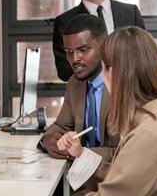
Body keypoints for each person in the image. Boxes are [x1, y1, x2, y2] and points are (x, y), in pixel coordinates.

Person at [57, 26, 157, 195]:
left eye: (103, 68)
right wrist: (81, 153)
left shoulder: (149, 134)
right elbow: (125, 178)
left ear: (115, 73)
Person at [37, 14, 119, 192]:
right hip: (82, 182)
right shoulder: (75, 83)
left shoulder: (123, 84)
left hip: (116, 184)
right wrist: (53, 141)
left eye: (83, 50)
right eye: (69, 51)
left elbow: (129, 152)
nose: (75, 59)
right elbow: (59, 126)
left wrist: (83, 152)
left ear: (104, 47)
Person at [53, 0, 145, 81]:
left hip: (131, 91)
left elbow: (144, 56)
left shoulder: (131, 12)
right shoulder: (64, 21)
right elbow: (64, 72)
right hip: (89, 94)